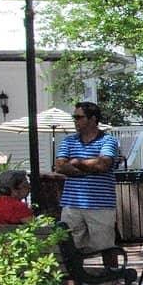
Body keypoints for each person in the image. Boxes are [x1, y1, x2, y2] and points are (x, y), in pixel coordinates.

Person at [54, 102, 121, 271]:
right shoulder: (68, 141)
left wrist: (77, 162)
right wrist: (85, 169)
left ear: (92, 119)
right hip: (72, 204)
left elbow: (104, 164)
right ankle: (72, 281)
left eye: (78, 117)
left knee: (106, 246)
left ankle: (115, 280)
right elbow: (60, 166)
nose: (75, 121)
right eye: (74, 117)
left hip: (101, 204)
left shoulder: (109, 141)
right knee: (70, 246)